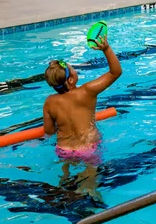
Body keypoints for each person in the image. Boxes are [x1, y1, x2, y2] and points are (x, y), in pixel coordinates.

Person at [42, 36, 122, 164]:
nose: (75, 70)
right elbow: (115, 72)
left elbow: (49, 131)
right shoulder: (87, 91)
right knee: (90, 180)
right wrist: (106, 49)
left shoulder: (49, 102)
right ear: (71, 80)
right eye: (73, 69)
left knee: (65, 179)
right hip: (88, 147)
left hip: (64, 149)